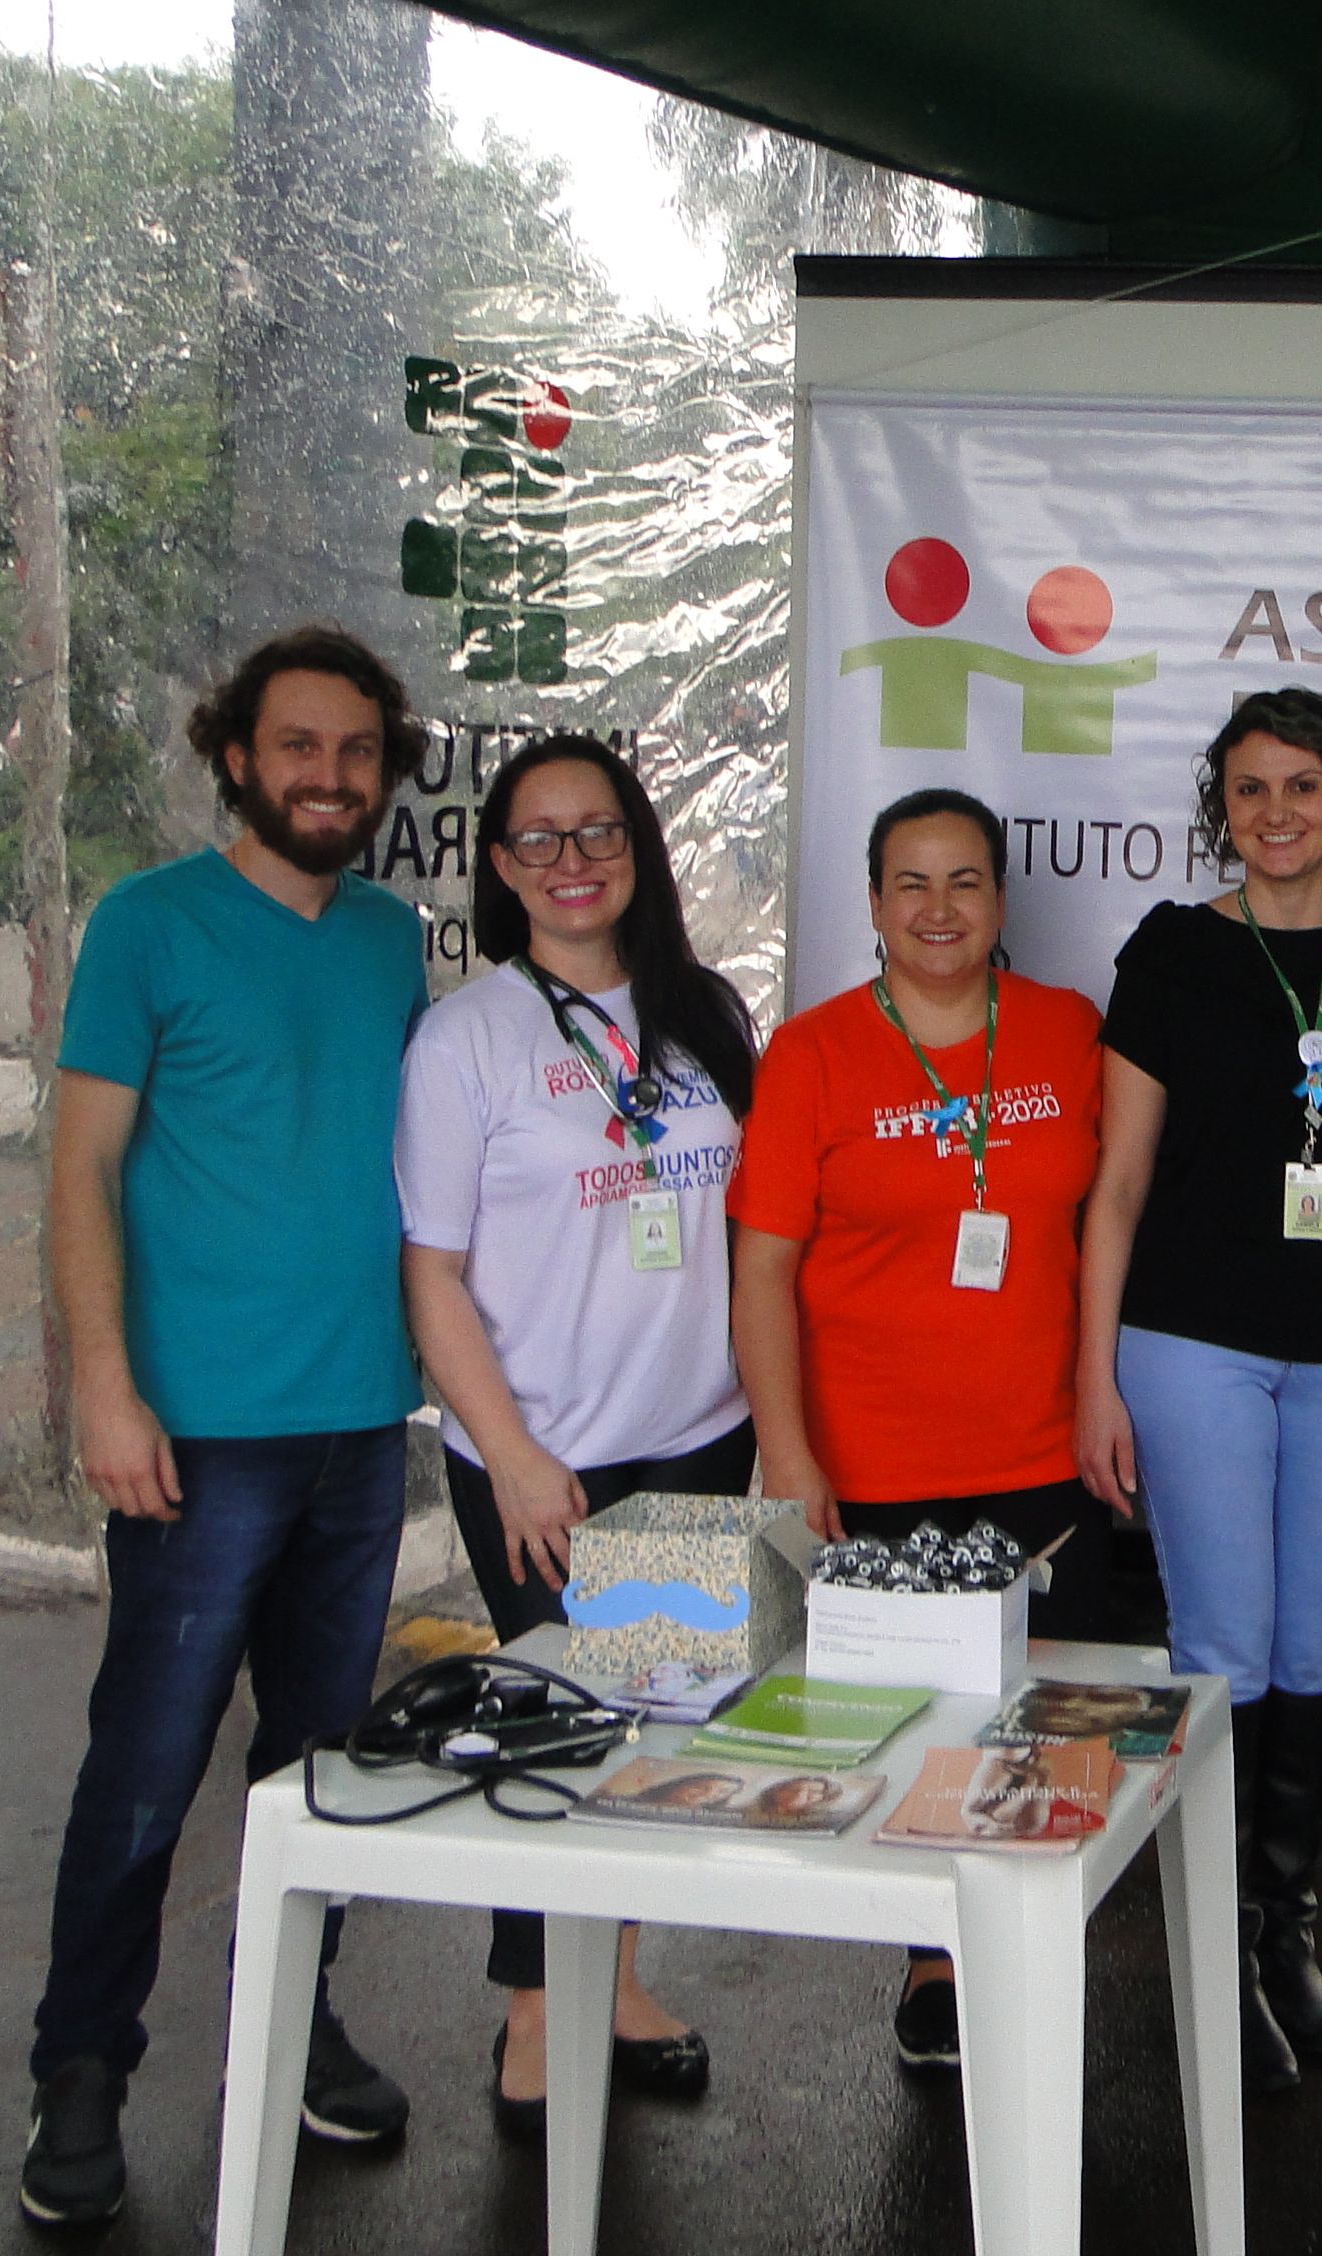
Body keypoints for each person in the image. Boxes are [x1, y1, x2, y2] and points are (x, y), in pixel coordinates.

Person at [18, 629, 431, 2231]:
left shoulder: (392, 940)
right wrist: (102, 1387)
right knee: (147, 1767)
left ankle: (290, 2031)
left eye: (357, 751)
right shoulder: (149, 924)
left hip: (359, 1422)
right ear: (239, 756)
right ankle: (80, 2070)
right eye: (299, 746)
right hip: (197, 1438)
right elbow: (80, 1169)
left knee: (319, 1773)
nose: (329, 776)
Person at [1074, 686, 1322, 2093]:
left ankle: (1282, 1930)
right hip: (1194, 1342)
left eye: (1302, 786)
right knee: (1224, 1642)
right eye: (1250, 789)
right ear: (1220, 807)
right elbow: (1118, 1184)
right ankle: (1212, 1947)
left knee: (1309, 1642)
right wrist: (1093, 1377)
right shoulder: (1174, 953)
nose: (1277, 813)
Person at [395, 732, 759, 2138]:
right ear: (499, 866)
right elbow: (432, 1274)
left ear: (638, 848)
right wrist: (514, 1455)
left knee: (649, 1723)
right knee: (556, 1728)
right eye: (538, 839)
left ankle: (615, 1980)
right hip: (543, 1454)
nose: (571, 861)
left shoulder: (703, 1013)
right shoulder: (467, 1039)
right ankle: (537, 2009)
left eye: (598, 831)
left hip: (696, 1440)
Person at [729, 787, 1108, 2072]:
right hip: (875, 1461)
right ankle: (938, 1964)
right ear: (875, 902)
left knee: (1044, 1727)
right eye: (911, 883)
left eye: (964, 881)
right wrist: (788, 1453)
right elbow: (762, 1269)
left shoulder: (1067, 1031)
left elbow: (1111, 1223)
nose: (939, 909)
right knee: (918, 1735)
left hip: (1043, 1452)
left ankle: (1035, 1952)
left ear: (1000, 897)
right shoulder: (814, 1054)